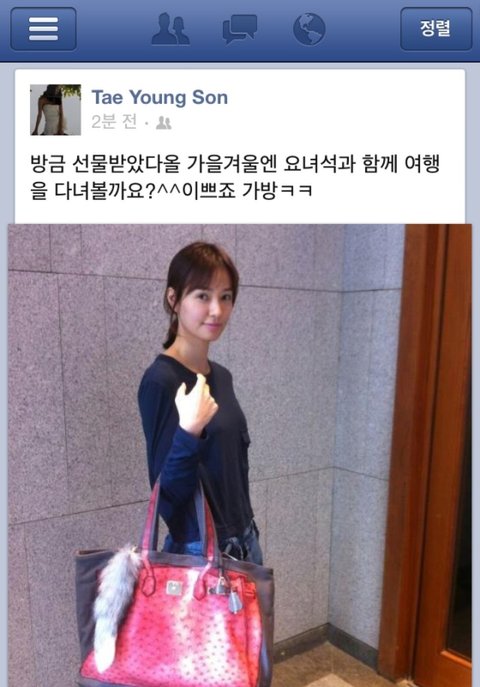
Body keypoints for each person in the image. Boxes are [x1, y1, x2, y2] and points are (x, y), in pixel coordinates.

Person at [138, 242, 263, 565]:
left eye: (226, 296)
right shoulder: (161, 381)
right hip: (200, 554)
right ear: (174, 299)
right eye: (203, 296)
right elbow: (167, 498)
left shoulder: (221, 377)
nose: (217, 310)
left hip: (246, 542)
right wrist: (189, 432)